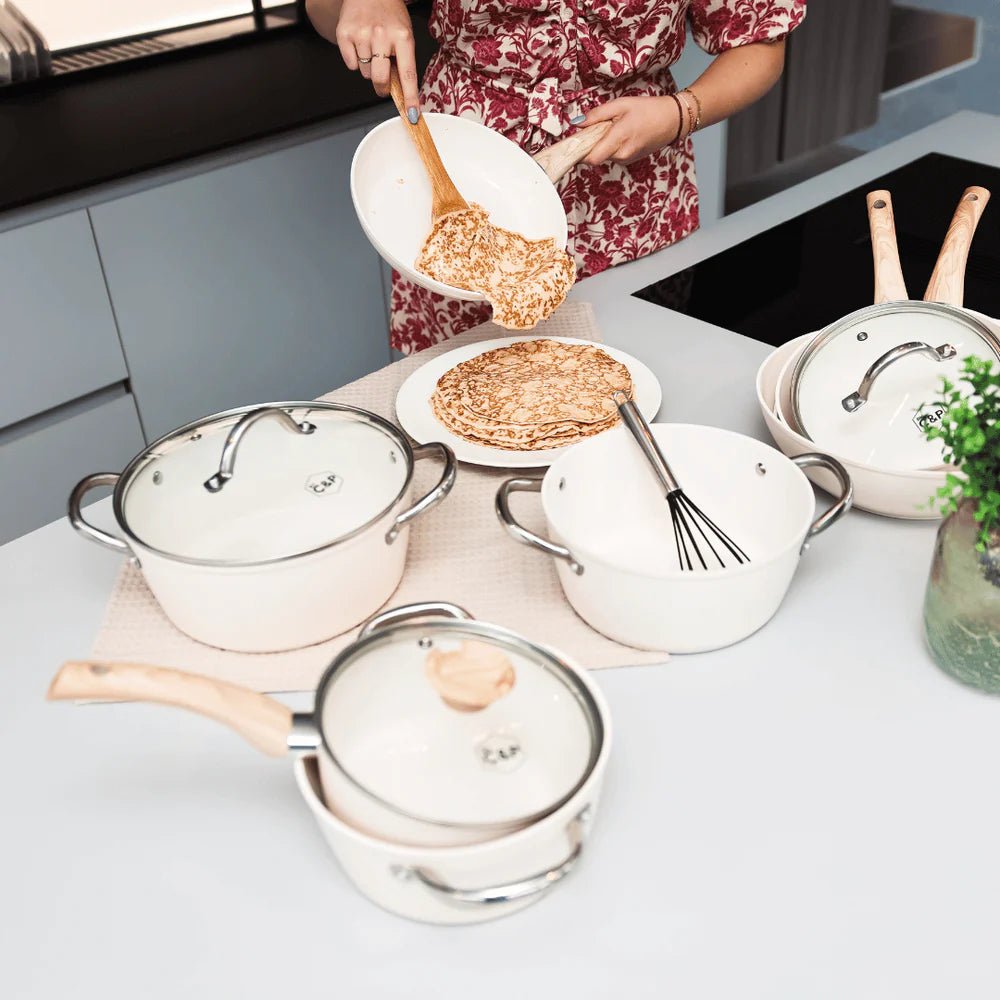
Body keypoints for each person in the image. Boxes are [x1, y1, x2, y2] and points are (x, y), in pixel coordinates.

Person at [307, 0, 806, 353]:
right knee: (464, 395)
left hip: (634, 195)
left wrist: (679, 114)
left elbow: (760, 38)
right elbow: (325, 11)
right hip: (462, 182)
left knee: (625, 388)